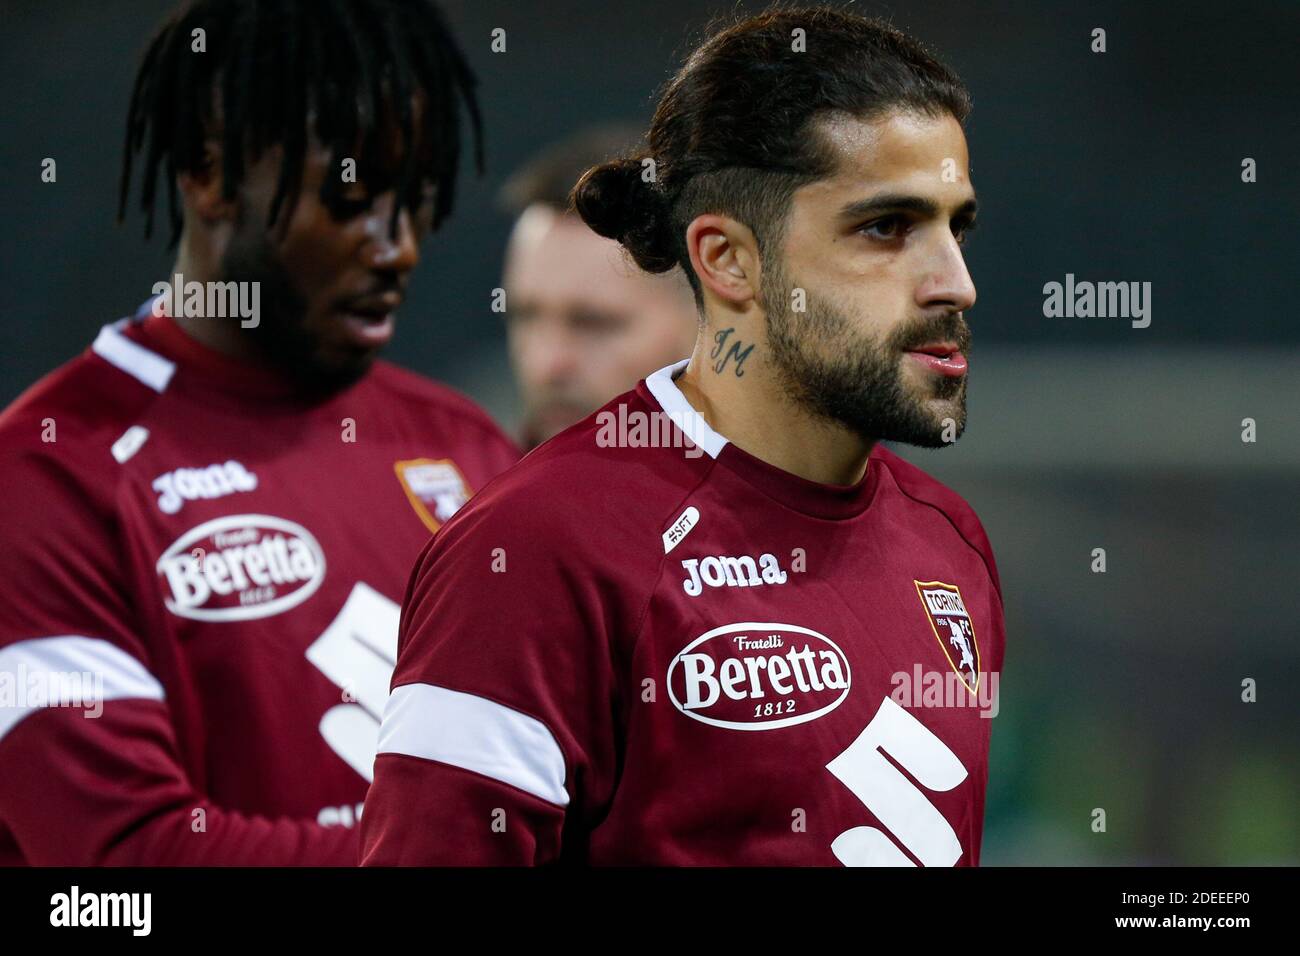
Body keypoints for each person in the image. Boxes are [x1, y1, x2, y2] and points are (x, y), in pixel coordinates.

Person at [361, 6, 1005, 866]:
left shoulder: (951, 544)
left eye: (954, 226)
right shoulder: (536, 550)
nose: (953, 283)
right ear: (728, 259)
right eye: (886, 227)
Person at [0, 0, 517, 865]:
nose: (398, 249)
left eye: (414, 202)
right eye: (352, 199)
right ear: (209, 172)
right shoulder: (47, 476)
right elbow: (122, 865)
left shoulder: (464, 448)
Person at [498, 126, 697, 447]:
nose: (545, 365)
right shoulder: (476, 488)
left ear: (704, 325)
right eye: (526, 317)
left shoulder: (780, 490)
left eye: (593, 323)